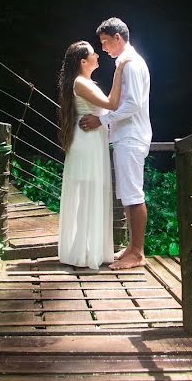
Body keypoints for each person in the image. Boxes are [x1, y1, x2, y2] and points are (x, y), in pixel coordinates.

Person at [79, 17, 151, 270]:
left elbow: (132, 105)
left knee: (133, 194)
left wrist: (102, 120)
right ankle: (132, 247)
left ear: (118, 38)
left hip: (131, 135)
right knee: (127, 195)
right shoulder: (126, 63)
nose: (104, 48)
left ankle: (138, 252)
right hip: (126, 135)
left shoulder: (131, 64)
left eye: (106, 42)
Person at [57, 40, 130, 269]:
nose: (97, 56)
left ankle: (89, 249)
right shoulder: (80, 82)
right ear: (83, 61)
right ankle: (83, 253)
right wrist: (119, 70)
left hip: (92, 140)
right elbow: (112, 103)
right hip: (87, 143)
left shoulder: (84, 82)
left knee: (91, 193)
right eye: (93, 53)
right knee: (88, 193)